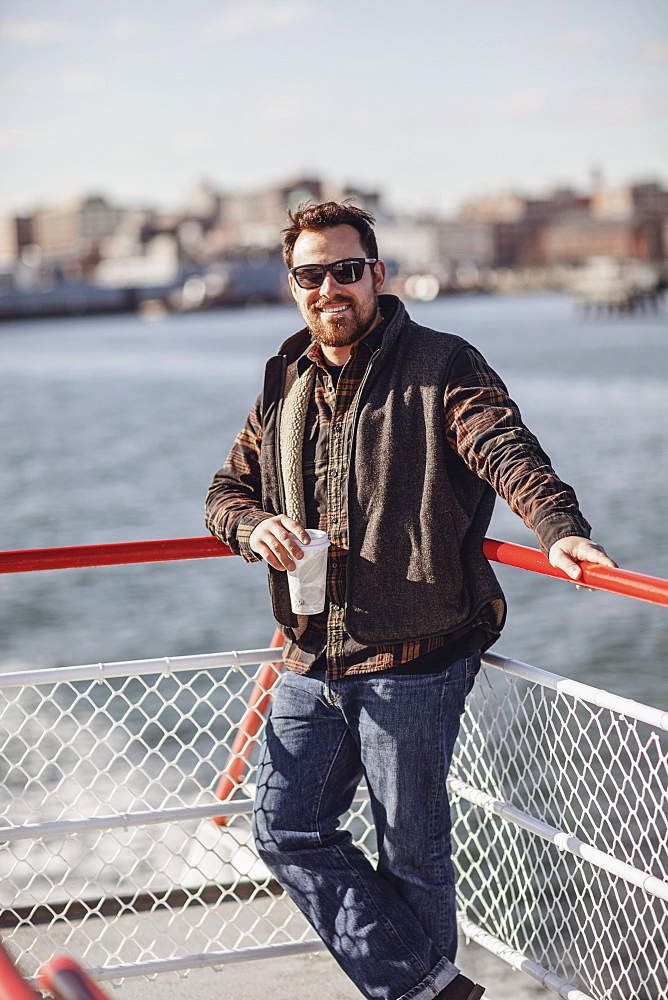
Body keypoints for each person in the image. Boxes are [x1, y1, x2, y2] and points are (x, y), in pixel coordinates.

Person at [205, 202, 616, 1000]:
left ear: (377, 274)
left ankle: (418, 992)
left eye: (346, 271)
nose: (330, 289)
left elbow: (502, 445)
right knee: (284, 826)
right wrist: (254, 528)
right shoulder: (284, 378)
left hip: (415, 658)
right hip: (309, 653)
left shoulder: (442, 362)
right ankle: (431, 990)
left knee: (413, 857)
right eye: (311, 275)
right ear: (294, 288)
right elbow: (226, 490)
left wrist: (558, 528)